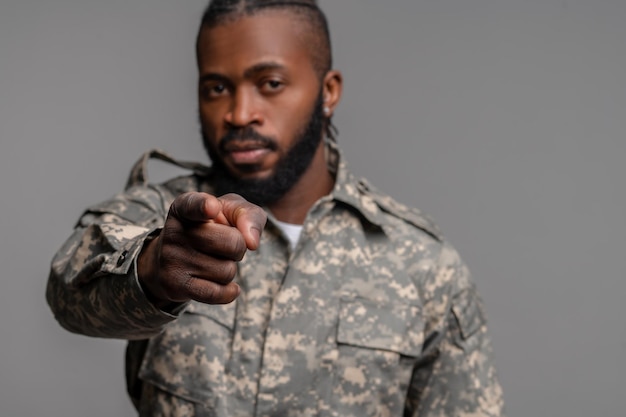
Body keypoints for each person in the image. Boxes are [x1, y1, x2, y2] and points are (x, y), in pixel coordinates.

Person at [46, 1, 506, 416]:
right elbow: (69, 292)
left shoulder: (423, 264)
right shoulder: (161, 216)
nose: (240, 113)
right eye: (216, 88)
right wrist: (153, 269)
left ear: (328, 92)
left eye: (270, 83)